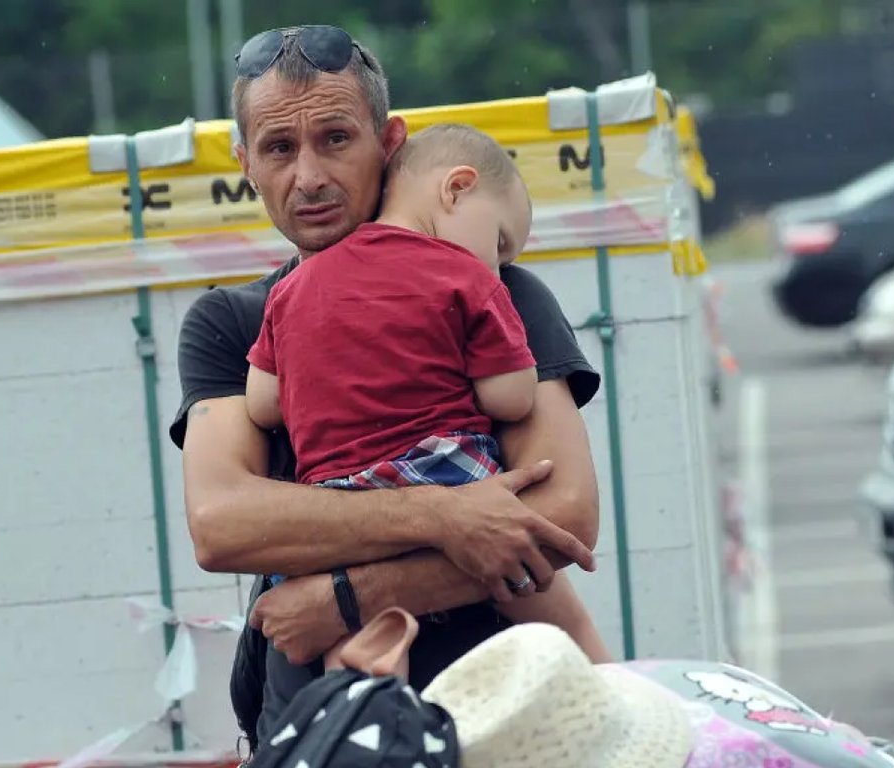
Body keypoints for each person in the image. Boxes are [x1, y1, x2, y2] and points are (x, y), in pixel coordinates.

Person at [168, 23, 604, 750]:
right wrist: (446, 515)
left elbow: (565, 516)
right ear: (244, 162)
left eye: (335, 139)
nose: (307, 177)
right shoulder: (230, 321)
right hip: (324, 733)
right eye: (279, 149)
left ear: (389, 142)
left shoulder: (495, 288)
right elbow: (222, 522)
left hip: (508, 717)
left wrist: (343, 597)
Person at [243, 121, 610, 668]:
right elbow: (510, 398)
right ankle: (621, 703)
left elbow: (263, 404)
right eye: (501, 240)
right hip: (450, 476)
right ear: (456, 188)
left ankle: (375, 722)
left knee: (358, 655)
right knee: (558, 613)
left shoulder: (293, 288)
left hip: (342, 507)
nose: (502, 262)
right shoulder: (468, 278)